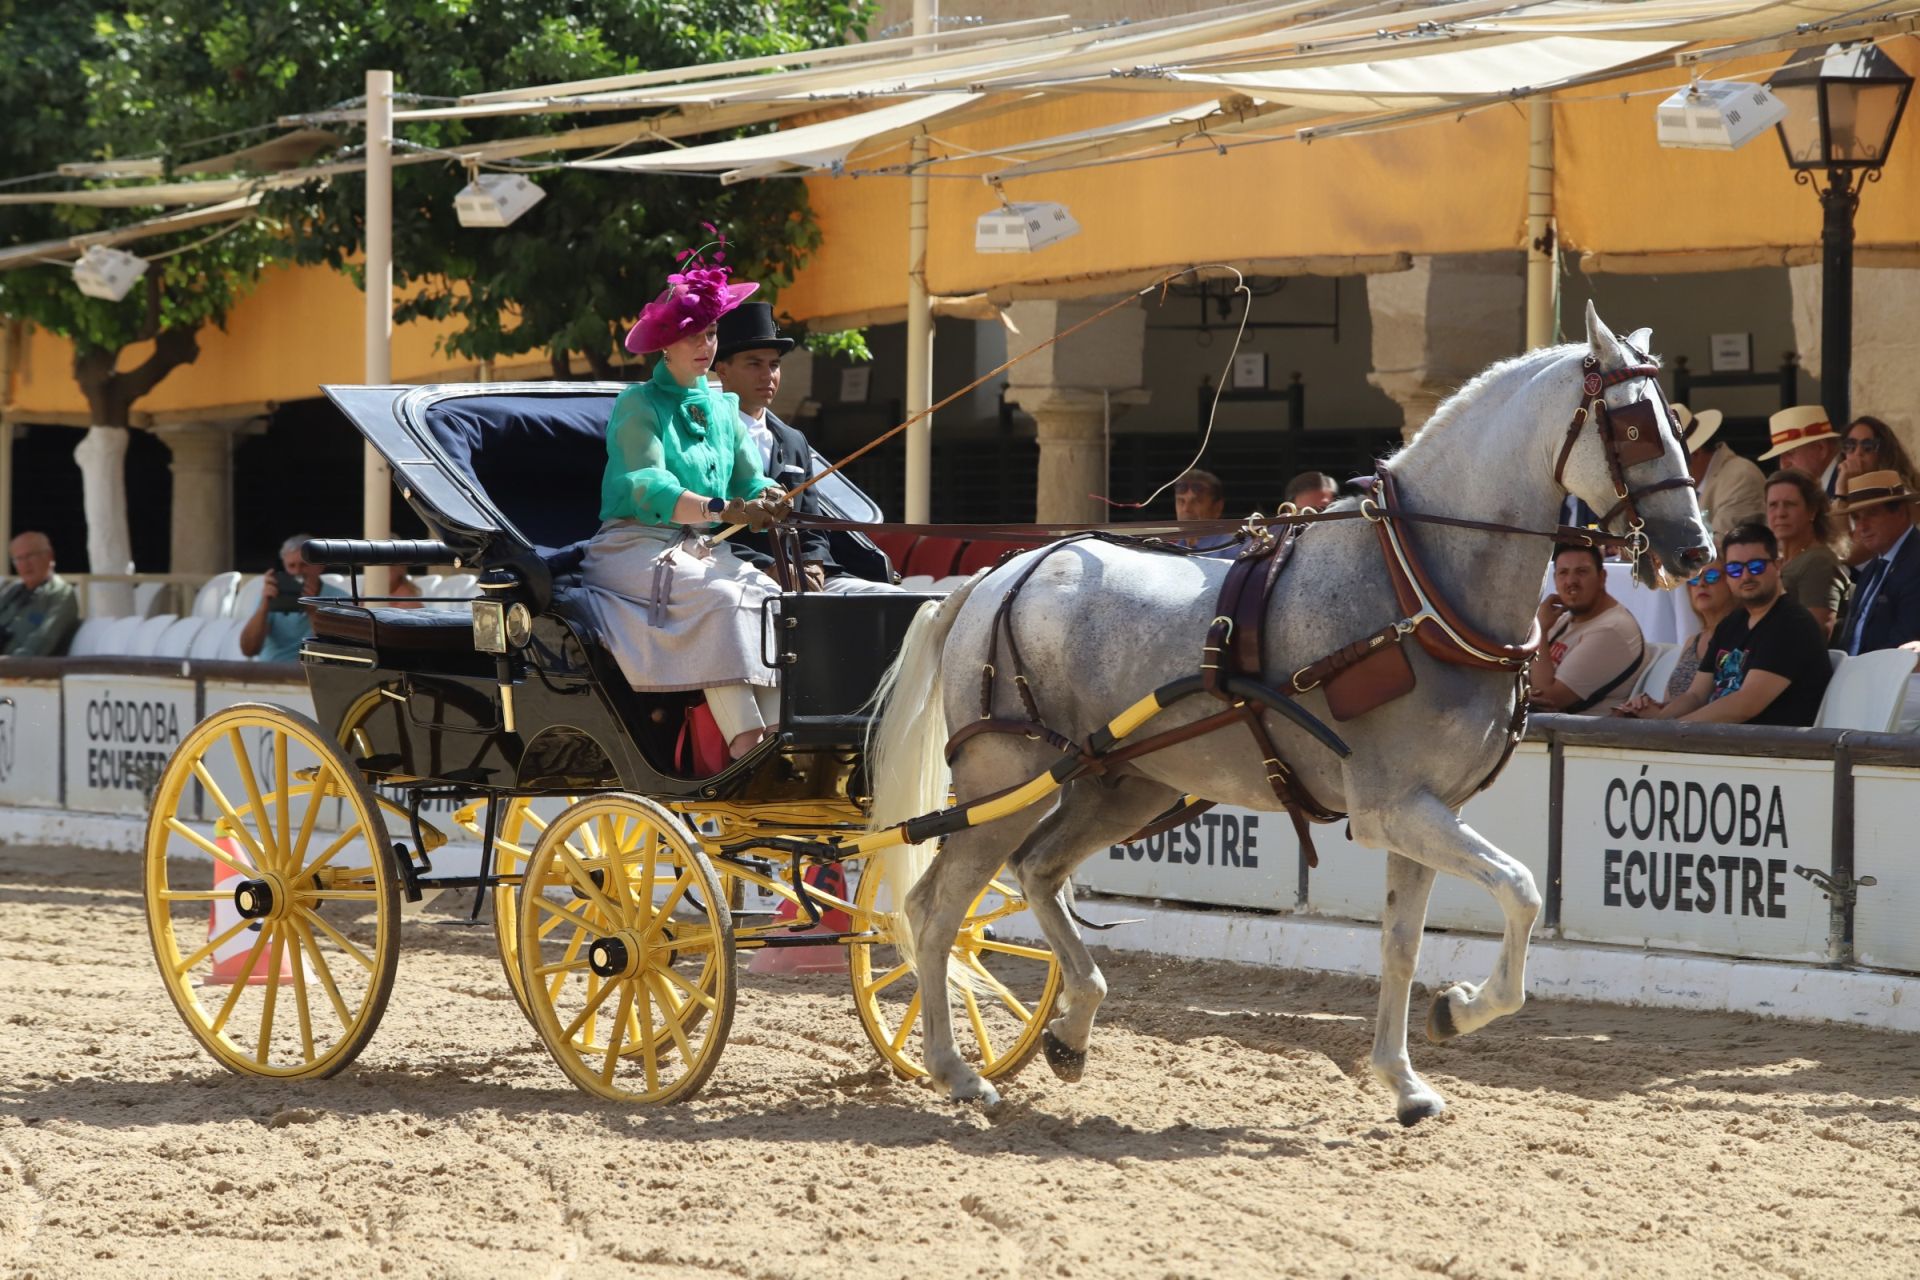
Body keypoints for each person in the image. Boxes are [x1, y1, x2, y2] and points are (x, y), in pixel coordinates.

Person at [582, 246, 791, 761]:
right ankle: (746, 747)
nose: (706, 344)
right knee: (721, 600)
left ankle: (783, 744)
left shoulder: (723, 407)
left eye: (712, 333)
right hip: (634, 546)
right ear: (666, 346)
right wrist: (722, 509)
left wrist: (768, 498)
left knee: (769, 595)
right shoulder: (638, 404)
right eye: (693, 334)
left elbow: (751, 479)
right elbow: (647, 486)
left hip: (699, 549)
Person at [708, 301, 898, 593]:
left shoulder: (793, 439)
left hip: (802, 575)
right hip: (735, 572)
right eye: (754, 363)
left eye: (774, 365)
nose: (768, 375)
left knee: (887, 596)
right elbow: (704, 524)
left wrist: (813, 564)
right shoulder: (704, 434)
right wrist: (768, 567)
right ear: (722, 370)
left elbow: (813, 522)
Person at [1615, 522, 1830, 726]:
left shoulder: (1792, 625)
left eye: (1756, 566)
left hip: (1767, 753)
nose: (1746, 576)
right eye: (1735, 569)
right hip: (1721, 745)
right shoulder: (1732, 624)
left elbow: (1746, 704)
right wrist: (1657, 726)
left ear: (1778, 566)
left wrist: (1678, 729)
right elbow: (1696, 694)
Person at [1526, 543, 1645, 713]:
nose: (1571, 582)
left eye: (1581, 571)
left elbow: (1547, 699)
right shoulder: (1564, 618)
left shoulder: (1611, 630)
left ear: (1602, 577)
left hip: (1576, 735)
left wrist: (1541, 630)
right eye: (1563, 573)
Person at [1834, 469, 1920, 657]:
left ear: (1901, 512)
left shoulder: (1916, 561)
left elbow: (1906, 639)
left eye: (1872, 513)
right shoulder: (1873, 567)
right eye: (1856, 517)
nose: (1862, 526)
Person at [1765, 468, 1850, 639]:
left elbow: (1816, 633)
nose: (1780, 513)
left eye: (1790, 504)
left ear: (1812, 511)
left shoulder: (1819, 561)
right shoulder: (1774, 561)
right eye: (1773, 505)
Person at [239, 534, 350, 663]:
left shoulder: (340, 599)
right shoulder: (273, 596)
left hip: (311, 675)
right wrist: (264, 606)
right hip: (270, 673)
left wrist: (312, 610)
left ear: (320, 566)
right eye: (291, 566)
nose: (297, 572)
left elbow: (335, 652)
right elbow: (248, 649)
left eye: (304, 565)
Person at [1677, 404, 1764, 540]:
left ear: (1695, 453)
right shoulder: (1689, 483)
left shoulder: (1739, 478)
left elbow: (1719, 547)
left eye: (1669, 463)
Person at [1663, 557, 1737, 701]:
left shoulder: (1739, 637)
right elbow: (1667, 700)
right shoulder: (1692, 642)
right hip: (1671, 720)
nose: (1701, 584)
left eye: (1712, 576)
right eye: (1694, 579)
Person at [0, 532, 80, 657]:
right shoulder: (12, 591)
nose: (25, 564)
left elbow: (43, 640)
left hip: (24, 670)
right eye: (18, 559)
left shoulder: (61, 593)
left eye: (30, 556)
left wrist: (9, 665)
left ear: (49, 556)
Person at [1759, 404, 1842, 498]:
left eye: (1790, 452)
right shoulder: (1818, 485)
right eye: (1780, 455)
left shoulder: (1848, 482)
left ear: (1821, 448)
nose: (1783, 465)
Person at [1172, 469, 1236, 557]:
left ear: (1217, 508)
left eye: (1195, 501)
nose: (1186, 509)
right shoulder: (1171, 551)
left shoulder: (1232, 551)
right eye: (1181, 501)